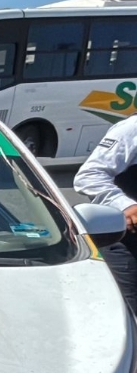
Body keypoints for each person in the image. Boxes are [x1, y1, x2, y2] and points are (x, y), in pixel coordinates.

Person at [74, 114, 137, 312]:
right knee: (129, 317)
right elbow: (89, 176)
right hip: (128, 244)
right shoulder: (132, 128)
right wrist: (125, 205)